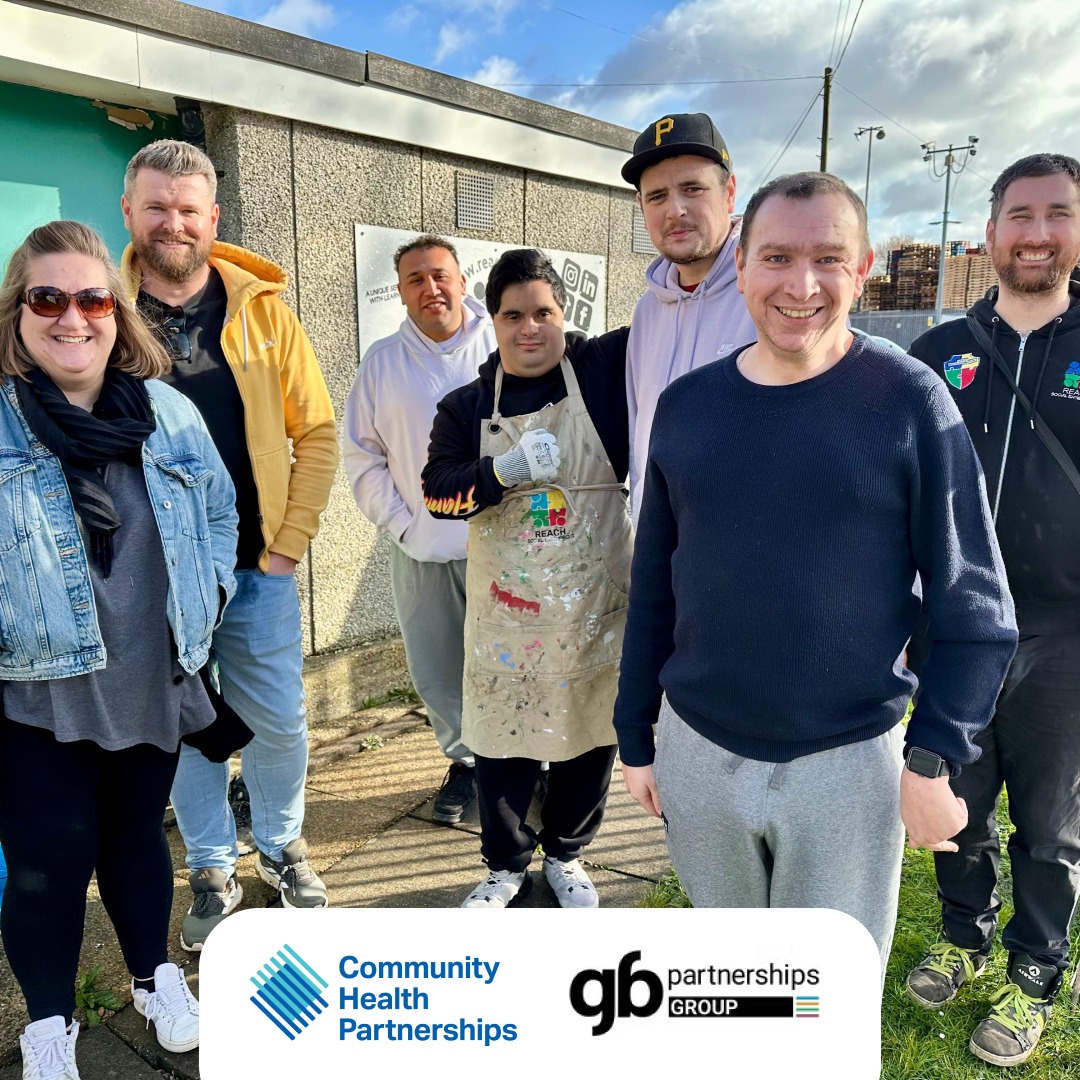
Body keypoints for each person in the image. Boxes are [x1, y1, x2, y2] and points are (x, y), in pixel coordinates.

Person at [614, 173, 1017, 976]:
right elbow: (655, 582)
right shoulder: (687, 407)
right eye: (776, 257)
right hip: (699, 747)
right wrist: (635, 734)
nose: (801, 285)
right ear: (740, 266)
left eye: (828, 258)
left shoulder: (910, 402)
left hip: (847, 761)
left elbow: (974, 603)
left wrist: (933, 757)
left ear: (862, 269)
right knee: (734, 983)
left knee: (825, 996)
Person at [0, 221, 239, 1079]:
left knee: (136, 837)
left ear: (117, 312)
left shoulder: (167, 413)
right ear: (18, 314)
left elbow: (219, 510)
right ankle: (49, 1021)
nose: (73, 318)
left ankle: (152, 978)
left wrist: (211, 596)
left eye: (92, 299)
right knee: (46, 863)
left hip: (149, 675)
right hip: (36, 688)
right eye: (48, 299)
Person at [120, 139, 338, 949]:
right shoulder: (100, 312)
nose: (172, 223)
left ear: (213, 217)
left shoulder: (265, 313)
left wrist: (289, 545)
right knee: (186, 725)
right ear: (129, 211)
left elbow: (316, 432)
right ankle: (212, 864)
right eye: (156, 207)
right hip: (154, 577)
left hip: (257, 567)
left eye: (188, 210)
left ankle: (281, 845)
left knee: (278, 721)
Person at [904, 154, 1080, 1068]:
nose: (1037, 233)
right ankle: (963, 936)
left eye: (1058, 214)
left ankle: (1037, 969)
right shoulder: (938, 351)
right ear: (991, 232)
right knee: (957, 801)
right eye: (1020, 215)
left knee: (1051, 823)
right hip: (955, 629)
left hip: (1067, 634)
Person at [422, 249, 630, 908]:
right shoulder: (464, 407)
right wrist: (501, 471)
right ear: (493, 320)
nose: (530, 328)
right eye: (513, 316)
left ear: (565, 315)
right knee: (500, 739)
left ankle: (567, 854)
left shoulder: (602, 375)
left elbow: (677, 315)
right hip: (507, 616)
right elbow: (438, 493)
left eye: (544, 313)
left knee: (589, 732)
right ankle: (505, 865)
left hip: (592, 609)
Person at [344, 235, 495, 824]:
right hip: (423, 549)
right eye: (415, 279)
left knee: (516, 659)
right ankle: (466, 762)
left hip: (505, 548)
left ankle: (527, 764)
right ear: (402, 293)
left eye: (440, 275)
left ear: (462, 282)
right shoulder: (382, 363)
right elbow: (362, 456)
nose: (430, 288)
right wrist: (403, 526)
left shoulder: (501, 344)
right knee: (438, 668)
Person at [622, 112, 757, 520]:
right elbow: (639, 441)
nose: (675, 210)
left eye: (692, 189)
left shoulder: (769, 296)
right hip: (656, 544)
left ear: (729, 193)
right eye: (657, 196)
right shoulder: (647, 310)